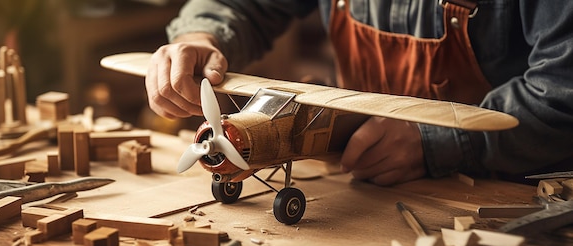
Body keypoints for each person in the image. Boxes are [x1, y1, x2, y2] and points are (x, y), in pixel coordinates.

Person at [145, 0, 573, 186]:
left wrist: (438, 140)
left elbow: (563, 89)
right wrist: (201, 36)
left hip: (510, 187)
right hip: (359, 175)